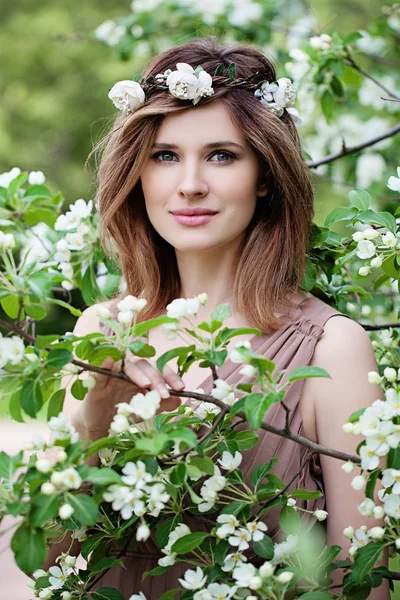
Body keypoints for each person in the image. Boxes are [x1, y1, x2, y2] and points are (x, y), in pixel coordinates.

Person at [48, 36, 389, 598]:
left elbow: (362, 584)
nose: (189, 184)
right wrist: (93, 422)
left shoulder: (331, 349)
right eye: (165, 156)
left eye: (222, 155)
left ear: (264, 174)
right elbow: (62, 567)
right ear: (138, 173)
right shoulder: (101, 331)